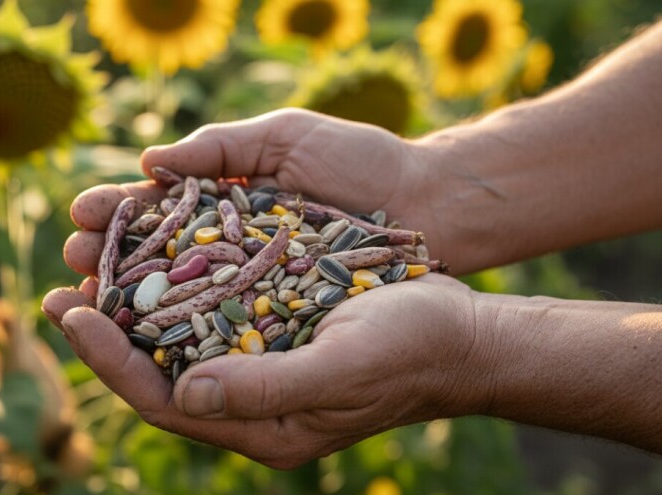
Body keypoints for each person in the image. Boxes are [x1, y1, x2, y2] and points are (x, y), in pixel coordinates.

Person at [41, 21, 662, 469]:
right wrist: (438, 183)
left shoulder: (285, 252)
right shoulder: (253, 241)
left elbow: (257, 263)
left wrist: (477, 346)